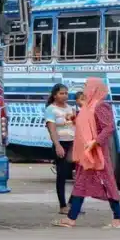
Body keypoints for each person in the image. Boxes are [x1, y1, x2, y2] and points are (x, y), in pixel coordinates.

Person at [53, 77, 120, 229]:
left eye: (87, 86)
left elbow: (109, 127)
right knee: (81, 183)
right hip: (86, 153)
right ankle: (71, 218)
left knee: (107, 183)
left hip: (97, 153)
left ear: (94, 88)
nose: (85, 88)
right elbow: (84, 123)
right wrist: (74, 119)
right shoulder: (89, 106)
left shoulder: (100, 106)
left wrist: (95, 142)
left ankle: (118, 218)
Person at [44, 83, 76, 214]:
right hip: (61, 144)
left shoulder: (71, 108)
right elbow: (52, 129)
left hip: (73, 143)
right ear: (55, 95)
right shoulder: (51, 109)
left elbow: (76, 126)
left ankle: (73, 203)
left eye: (66, 93)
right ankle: (63, 205)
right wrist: (57, 145)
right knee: (62, 175)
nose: (64, 96)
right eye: (61, 93)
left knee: (79, 175)